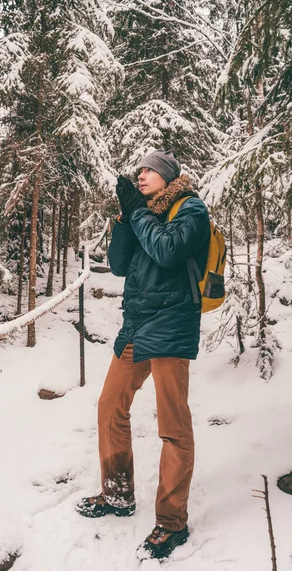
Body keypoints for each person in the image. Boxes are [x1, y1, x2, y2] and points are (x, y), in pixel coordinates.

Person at [75, 150, 210, 561]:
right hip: (137, 326)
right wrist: (124, 218)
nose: (142, 174)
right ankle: (117, 494)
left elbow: (169, 252)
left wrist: (138, 216)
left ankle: (172, 521)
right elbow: (119, 266)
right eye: (139, 171)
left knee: (173, 424)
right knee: (110, 405)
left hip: (171, 326)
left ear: (168, 176)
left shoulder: (191, 209)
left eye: (149, 169)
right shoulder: (144, 213)